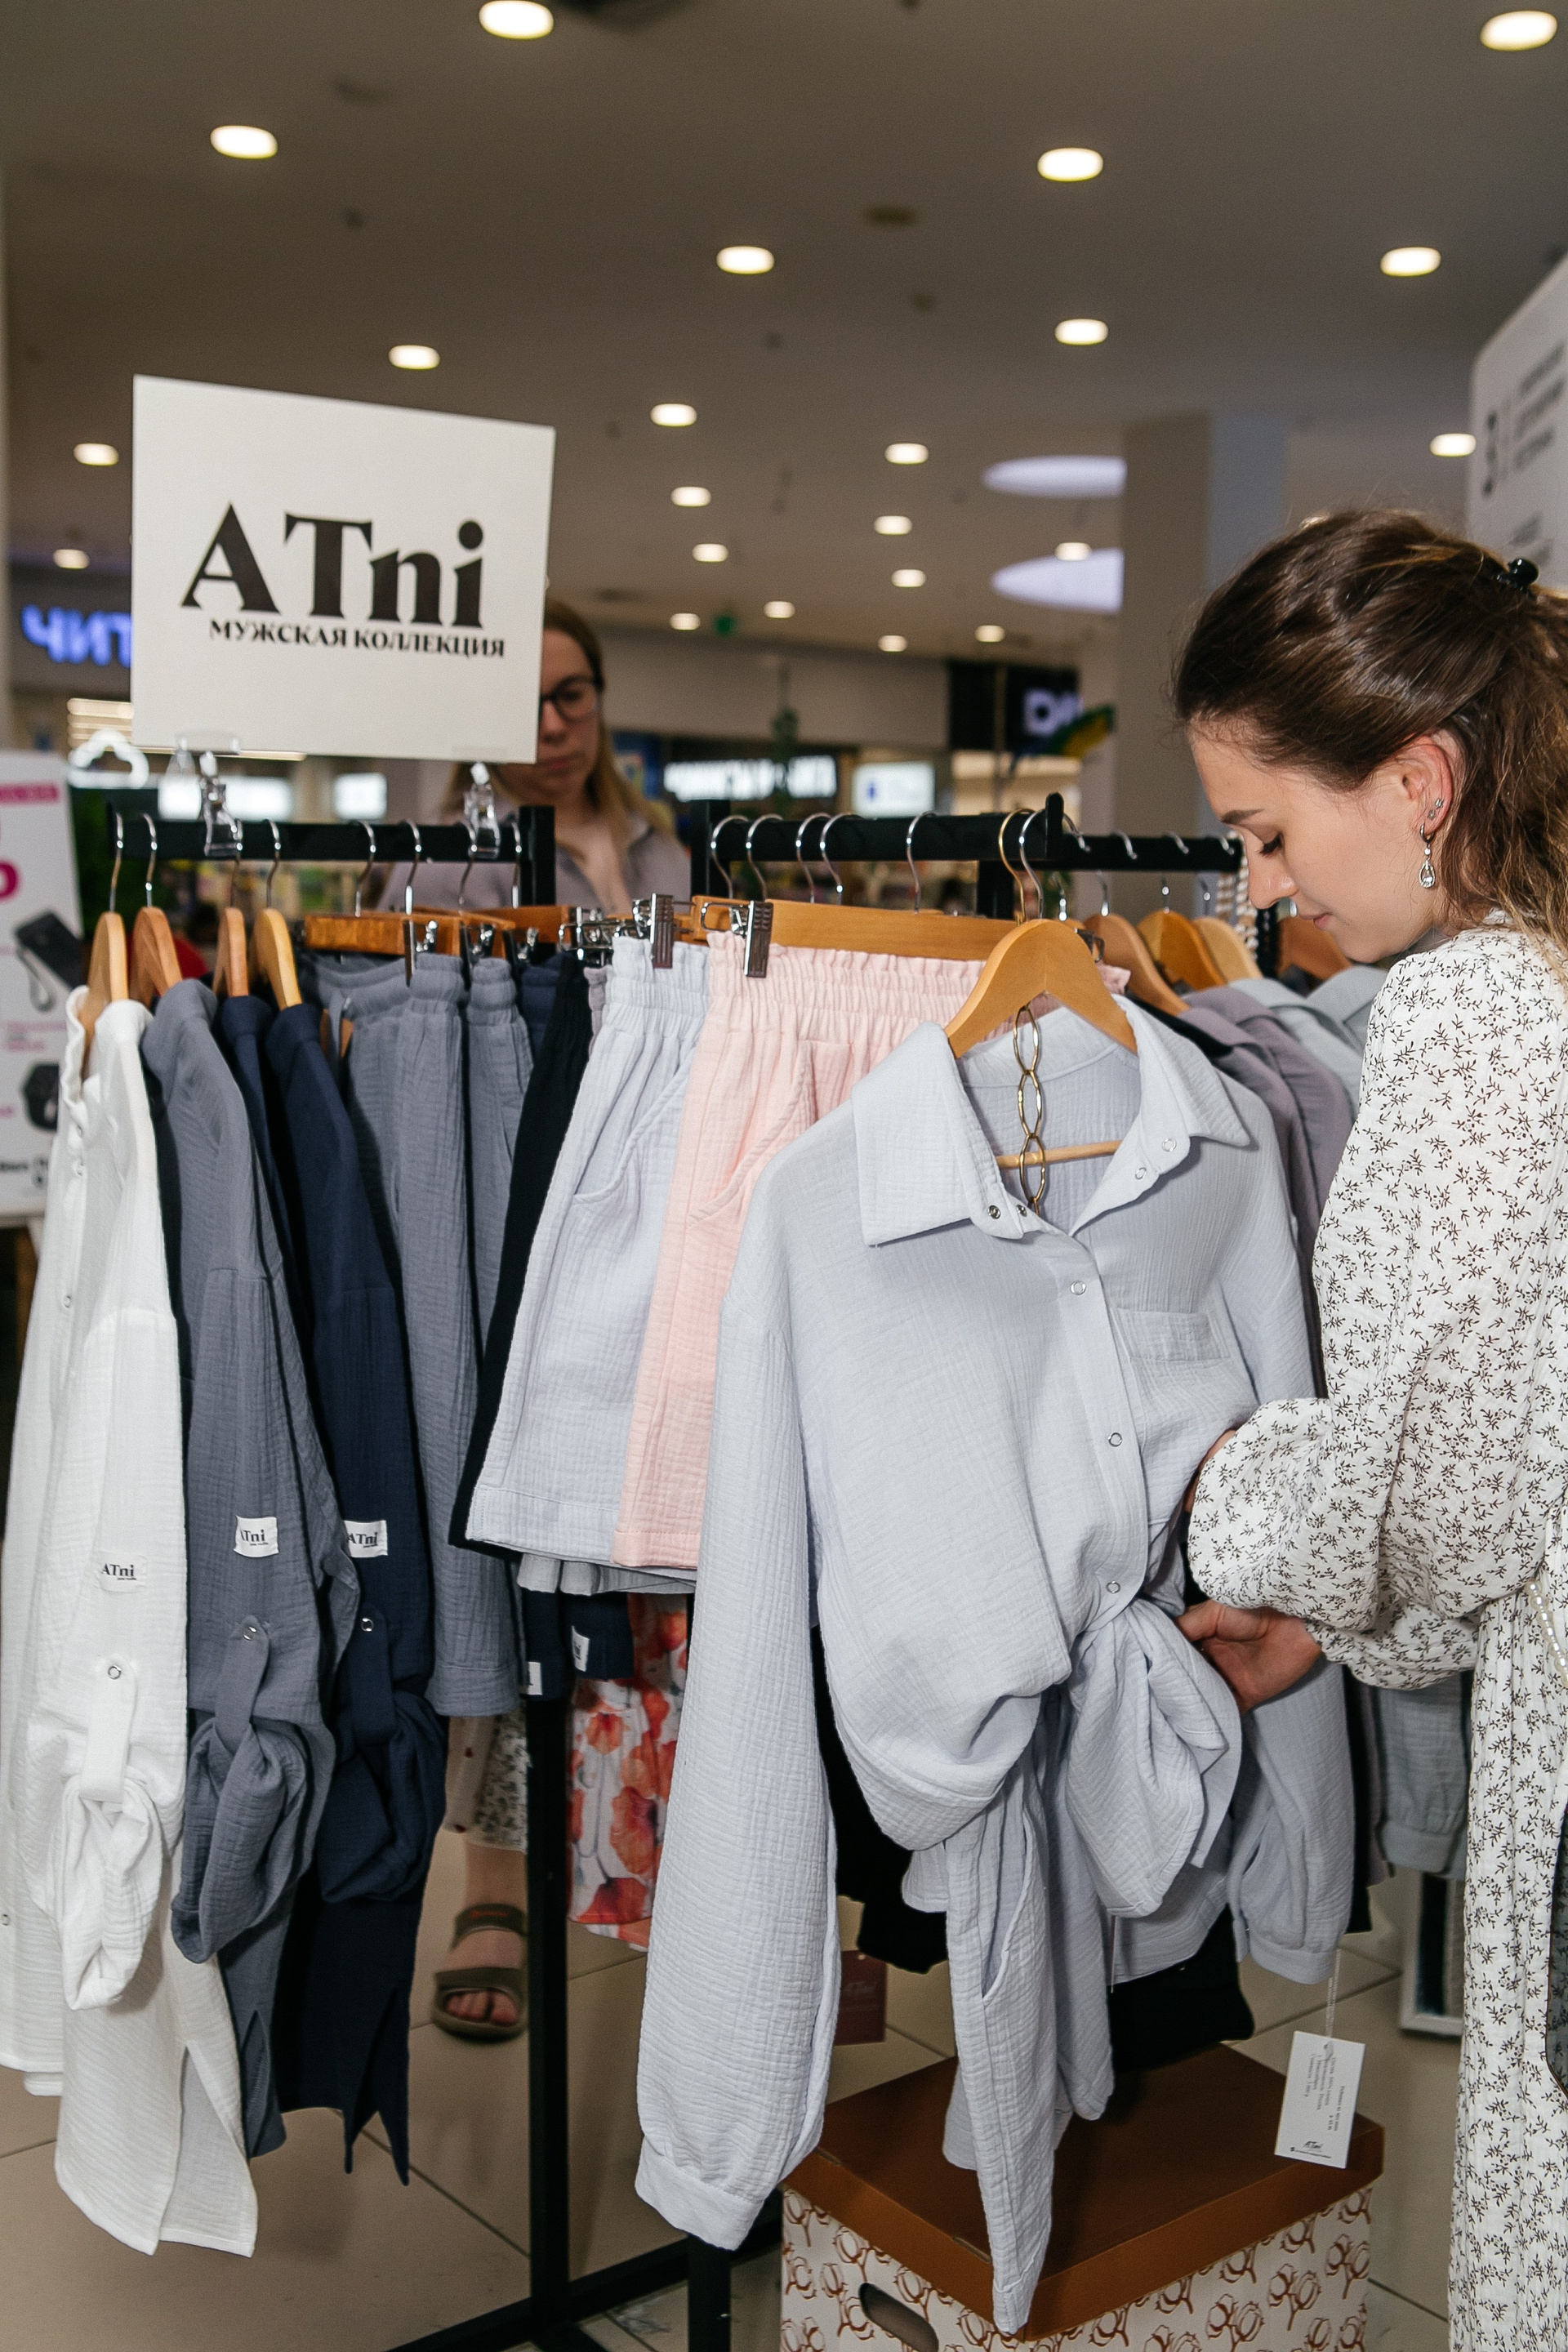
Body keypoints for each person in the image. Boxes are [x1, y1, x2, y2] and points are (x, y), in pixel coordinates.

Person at [1170, 510, 1568, 2352]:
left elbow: (1435, 1496)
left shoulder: (1476, 1006)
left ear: (1418, 781)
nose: (1260, 887)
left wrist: (1232, 1494)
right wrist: (1346, 1616)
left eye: (1267, 831)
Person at [382, 596, 688, 914]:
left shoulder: (656, 841)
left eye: (572, 695)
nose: (554, 727)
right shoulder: (447, 859)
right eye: (524, 705)